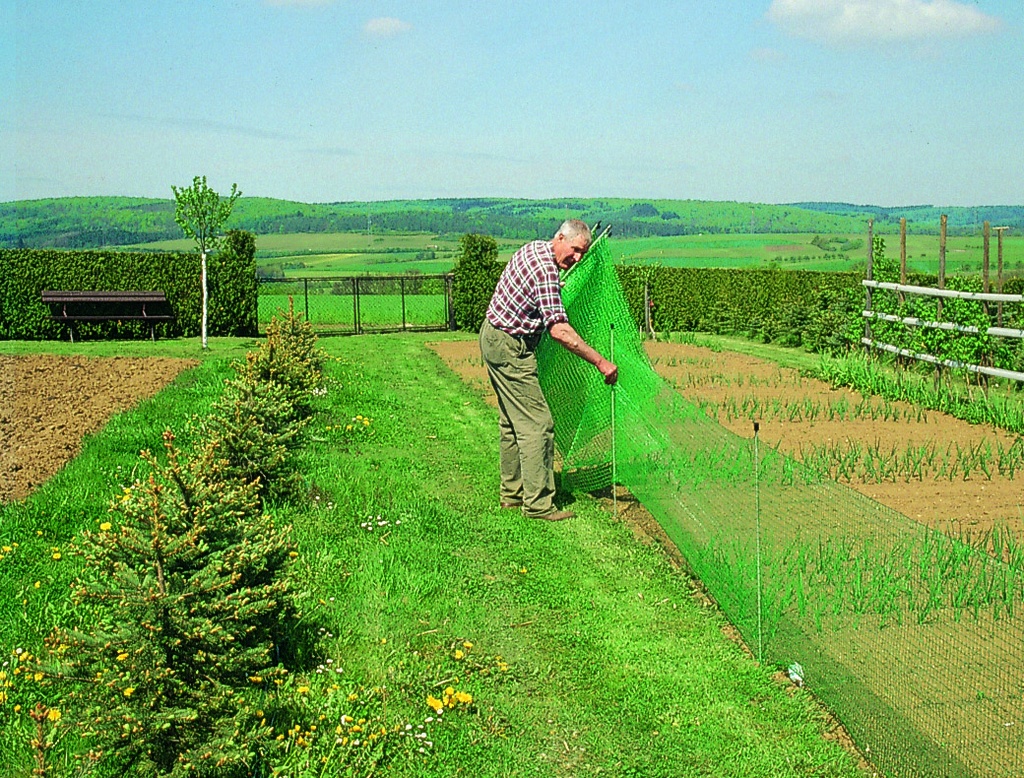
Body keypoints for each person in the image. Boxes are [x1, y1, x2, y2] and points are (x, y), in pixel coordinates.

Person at [479, 219, 618, 521]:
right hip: (509, 348)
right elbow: (559, 331)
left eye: (583, 253)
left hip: (492, 337)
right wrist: (600, 361)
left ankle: (512, 495)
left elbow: (540, 292)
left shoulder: (535, 251)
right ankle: (539, 505)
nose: (578, 258)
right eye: (576, 250)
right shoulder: (546, 270)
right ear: (560, 238)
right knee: (538, 425)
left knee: (512, 423)